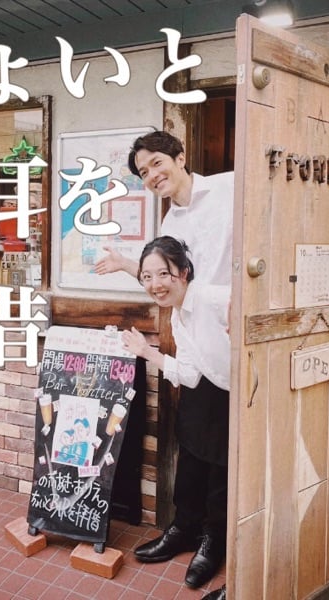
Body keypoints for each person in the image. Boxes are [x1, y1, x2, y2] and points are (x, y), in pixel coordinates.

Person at [121, 236, 230, 589]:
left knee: (221, 473)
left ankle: (213, 543)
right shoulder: (178, 315)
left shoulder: (212, 298)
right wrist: (145, 351)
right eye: (147, 277)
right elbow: (190, 374)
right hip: (203, 391)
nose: (155, 284)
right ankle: (183, 530)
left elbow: (247, 311)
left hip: (236, 394)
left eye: (163, 274)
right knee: (191, 461)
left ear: (183, 272)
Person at [94, 130, 233, 286]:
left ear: (180, 159)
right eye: (144, 173)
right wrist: (124, 263)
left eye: (157, 163)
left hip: (245, 300)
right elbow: (167, 278)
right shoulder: (169, 226)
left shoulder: (230, 185)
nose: (152, 175)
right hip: (198, 302)